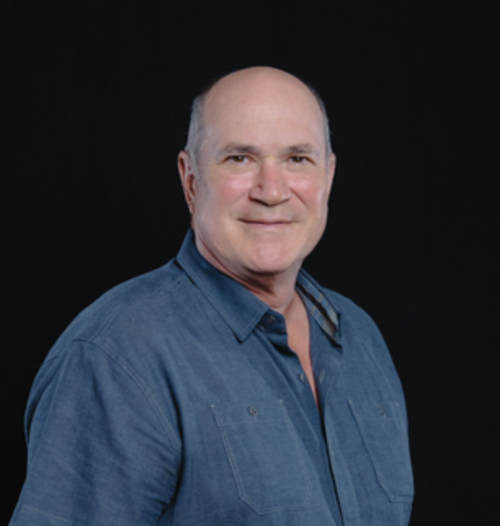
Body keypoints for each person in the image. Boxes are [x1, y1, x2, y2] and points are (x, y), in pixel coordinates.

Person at [9, 67, 413, 525]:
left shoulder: (361, 340)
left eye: (298, 159)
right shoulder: (116, 357)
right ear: (191, 180)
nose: (272, 190)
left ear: (328, 178)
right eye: (240, 158)